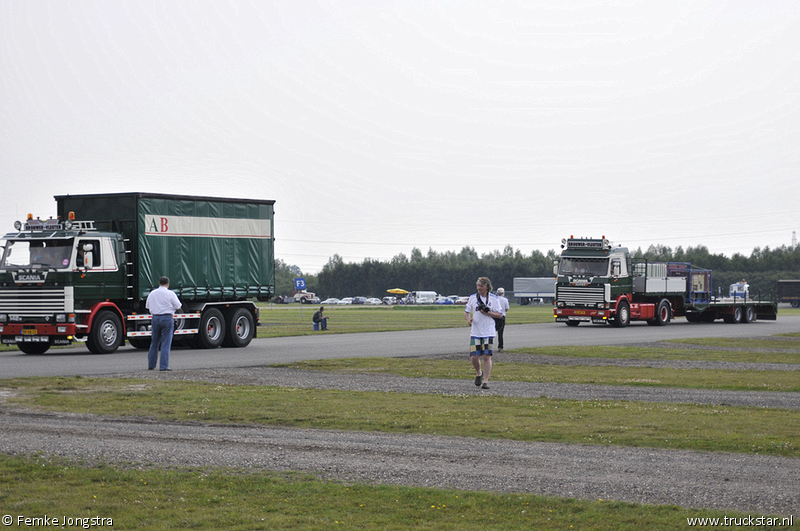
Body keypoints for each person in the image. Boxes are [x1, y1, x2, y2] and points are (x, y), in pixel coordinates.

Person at [464, 277, 503, 389]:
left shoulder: (494, 299)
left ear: (487, 287)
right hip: (475, 331)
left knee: (486, 356)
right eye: (478, 286)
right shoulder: (472, 298)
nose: (479, 288)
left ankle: (485, 381)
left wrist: (488, 313)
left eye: (481, 286)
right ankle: (479, 373)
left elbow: (500, 315)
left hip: (489, 331)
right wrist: (468, 319)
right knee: (474, 357)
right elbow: (466, 312)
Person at [145, 276, 182, 371]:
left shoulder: (152, 293)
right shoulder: (170, 294)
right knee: (166, 342)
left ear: (159, 283)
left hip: (155, 318)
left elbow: (148, 306)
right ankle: (163, 366)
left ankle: (151, 364)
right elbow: (178, 306)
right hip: (167, 318)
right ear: (168, 284)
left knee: (154, 342)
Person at [495, 287, 510, 352]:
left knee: (490, 332)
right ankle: (500, 347)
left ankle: (487, 346)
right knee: (500, 333)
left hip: (494, 316)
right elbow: (506, 309)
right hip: (501, 316)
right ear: (503, 293)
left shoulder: (494, 299)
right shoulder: (505, 300)